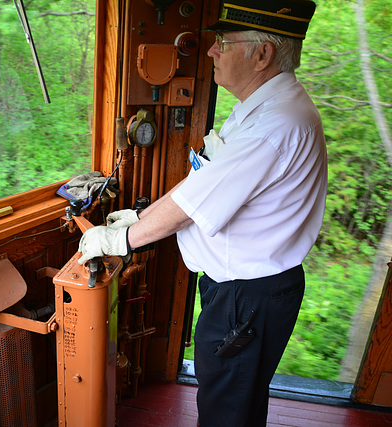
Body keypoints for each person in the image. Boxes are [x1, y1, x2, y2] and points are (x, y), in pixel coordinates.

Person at [77, 0, 327, 425]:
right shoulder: (258, 110)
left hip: (247, 297)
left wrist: (120, 239)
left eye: (223, 42)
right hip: (242, 291)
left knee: (226, 410)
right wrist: (139, 219)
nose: (211, 50)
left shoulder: (275, 125)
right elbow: (202, 182)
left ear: (263, 54)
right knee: (235, 399)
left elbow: (193, 204)